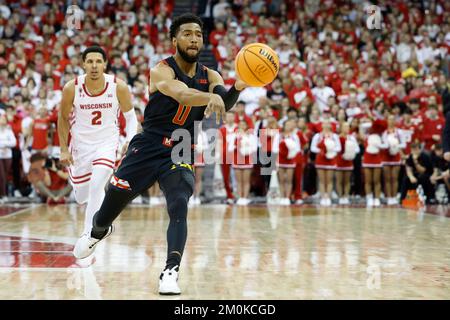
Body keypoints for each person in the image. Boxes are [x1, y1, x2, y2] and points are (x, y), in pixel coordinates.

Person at [72, 14, 249, 295]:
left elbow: (222, 103)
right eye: (187, 34)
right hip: (149, 144)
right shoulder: (160, 70)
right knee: (108, 208)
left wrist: (238, 87)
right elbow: (180, 93)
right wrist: (210, 97)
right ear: (174, 40)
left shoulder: (211, 75)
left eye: (198, 34)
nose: (194, 39)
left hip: (181, 145)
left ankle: (170, 271)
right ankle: (98, 231)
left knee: (179, 203)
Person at [58, 46, 138, 235]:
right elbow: (62, 118)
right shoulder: (72, 87)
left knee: (97, 185)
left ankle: (91, 234)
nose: (94, 66)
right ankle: (95, 224)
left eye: (98, 61)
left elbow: (131, 117)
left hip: (107, 143)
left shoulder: (118, 86)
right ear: (83, 64)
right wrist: (63, 148)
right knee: (81, 196)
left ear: (105, 64)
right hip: (81, 144)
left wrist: (130, 139)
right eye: (90, 61)